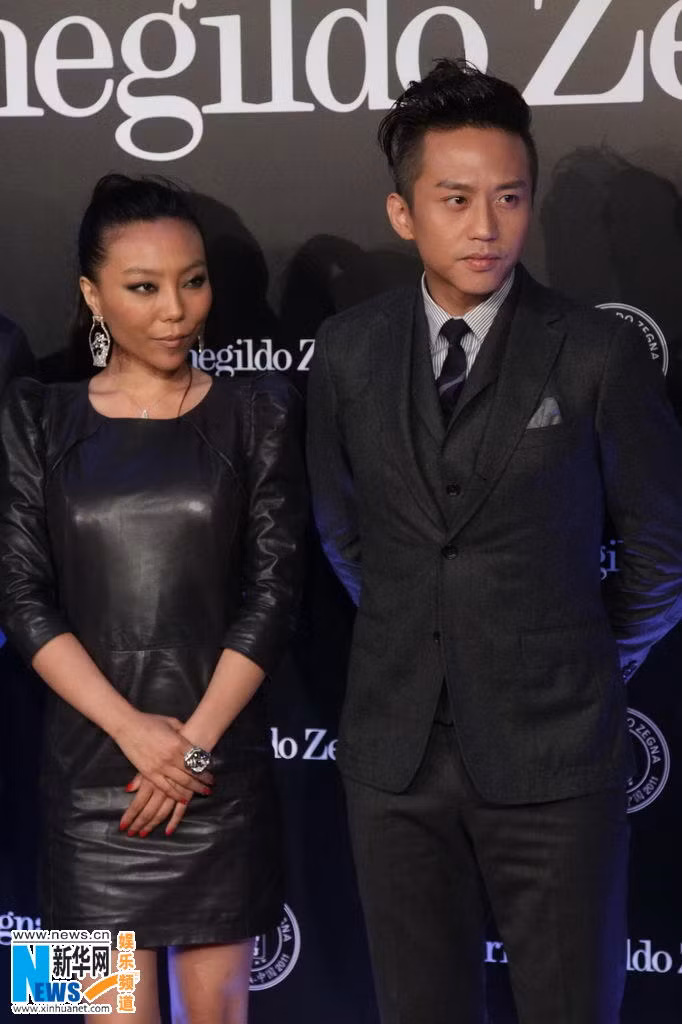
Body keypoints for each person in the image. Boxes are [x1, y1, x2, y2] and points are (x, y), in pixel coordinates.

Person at [306, 59, 682, 1024]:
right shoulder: (347, 350)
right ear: (403, 213)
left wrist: (578, 660)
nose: (486, 225)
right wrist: (426, 628)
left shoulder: (598, 349)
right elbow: (346, 531)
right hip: (395, 757)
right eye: (457, 199)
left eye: (509, 198)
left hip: (556, 755)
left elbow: (661, 552)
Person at [0, 174, 306, 1023]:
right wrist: (137, 734)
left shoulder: (260, 410)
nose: (175, 310)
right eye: (143, 288)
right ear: (92, 295)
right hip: (83, 793)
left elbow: (274, 594)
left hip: (219, 780)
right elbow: (21, 597)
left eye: (192, 281)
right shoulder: (33, 416)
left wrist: (191, 750)